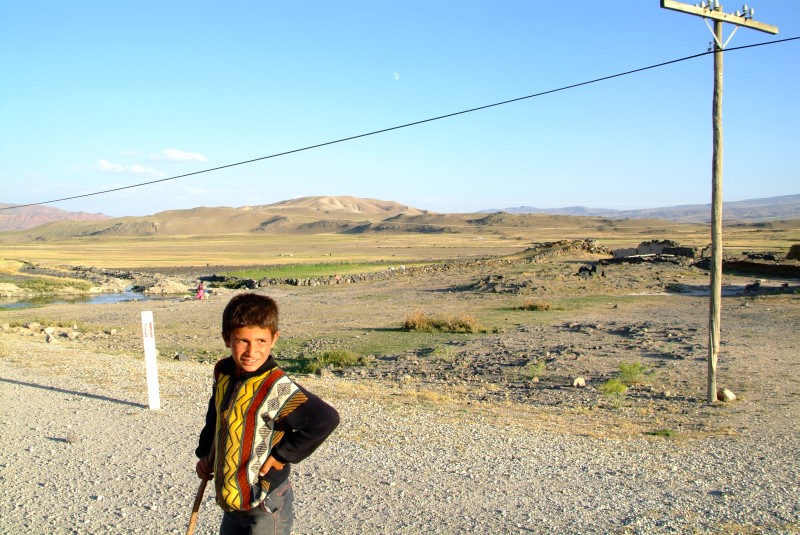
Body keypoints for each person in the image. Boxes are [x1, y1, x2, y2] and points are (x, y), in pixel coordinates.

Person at [195, 293, 340, 535]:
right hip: (233, 495)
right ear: (227, 338)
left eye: (261, 341)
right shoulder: (223, 372)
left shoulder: (276, 386)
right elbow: (217, 415)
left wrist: (283, 455)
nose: (251, 351)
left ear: (274, 339)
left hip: (265, 499)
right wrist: (205, 454)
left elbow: (325, 419)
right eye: (242, 341)